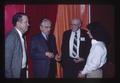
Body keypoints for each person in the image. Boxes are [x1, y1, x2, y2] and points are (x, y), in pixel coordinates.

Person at [5, 12, 30, 78]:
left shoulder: (21, 35)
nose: (28, 24)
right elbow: (6, 63)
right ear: (18, 24)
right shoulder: (11, 37)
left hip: (22, 70)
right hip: (15, 73)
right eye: (26, 22)